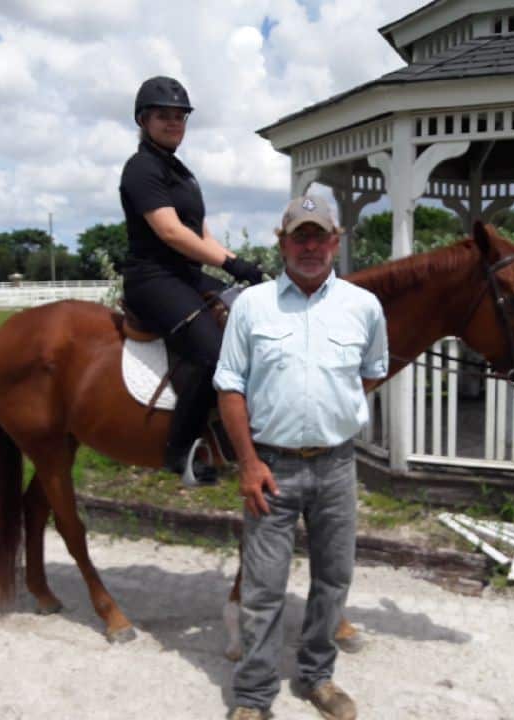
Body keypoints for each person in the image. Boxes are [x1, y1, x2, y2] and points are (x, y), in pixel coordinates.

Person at [213, 195, 388, 720]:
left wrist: (332, 410)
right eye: (300, 236)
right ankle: (253, 696)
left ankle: (317, 677)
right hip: (271, 467)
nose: (310, 247)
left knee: (333, 580)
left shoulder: (363, 306)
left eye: (320, 236)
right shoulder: (253, 305)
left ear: (336, 242)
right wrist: (247, 461)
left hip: (336, 466)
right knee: (264, 589)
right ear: (282, 242)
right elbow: (229, 387)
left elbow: (372, 371)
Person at [119, 76, 263, 483]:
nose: (174, 123)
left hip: (186, 274)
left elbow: (200, 233)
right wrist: (229, 267)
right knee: (215, 356)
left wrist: (246, 265)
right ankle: (179, 452)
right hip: (153, 279)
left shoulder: (181, 172)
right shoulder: (141, 168)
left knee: (252, 323)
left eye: (180, 116)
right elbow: (170, 232)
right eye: (164, 116)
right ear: (144, 120)